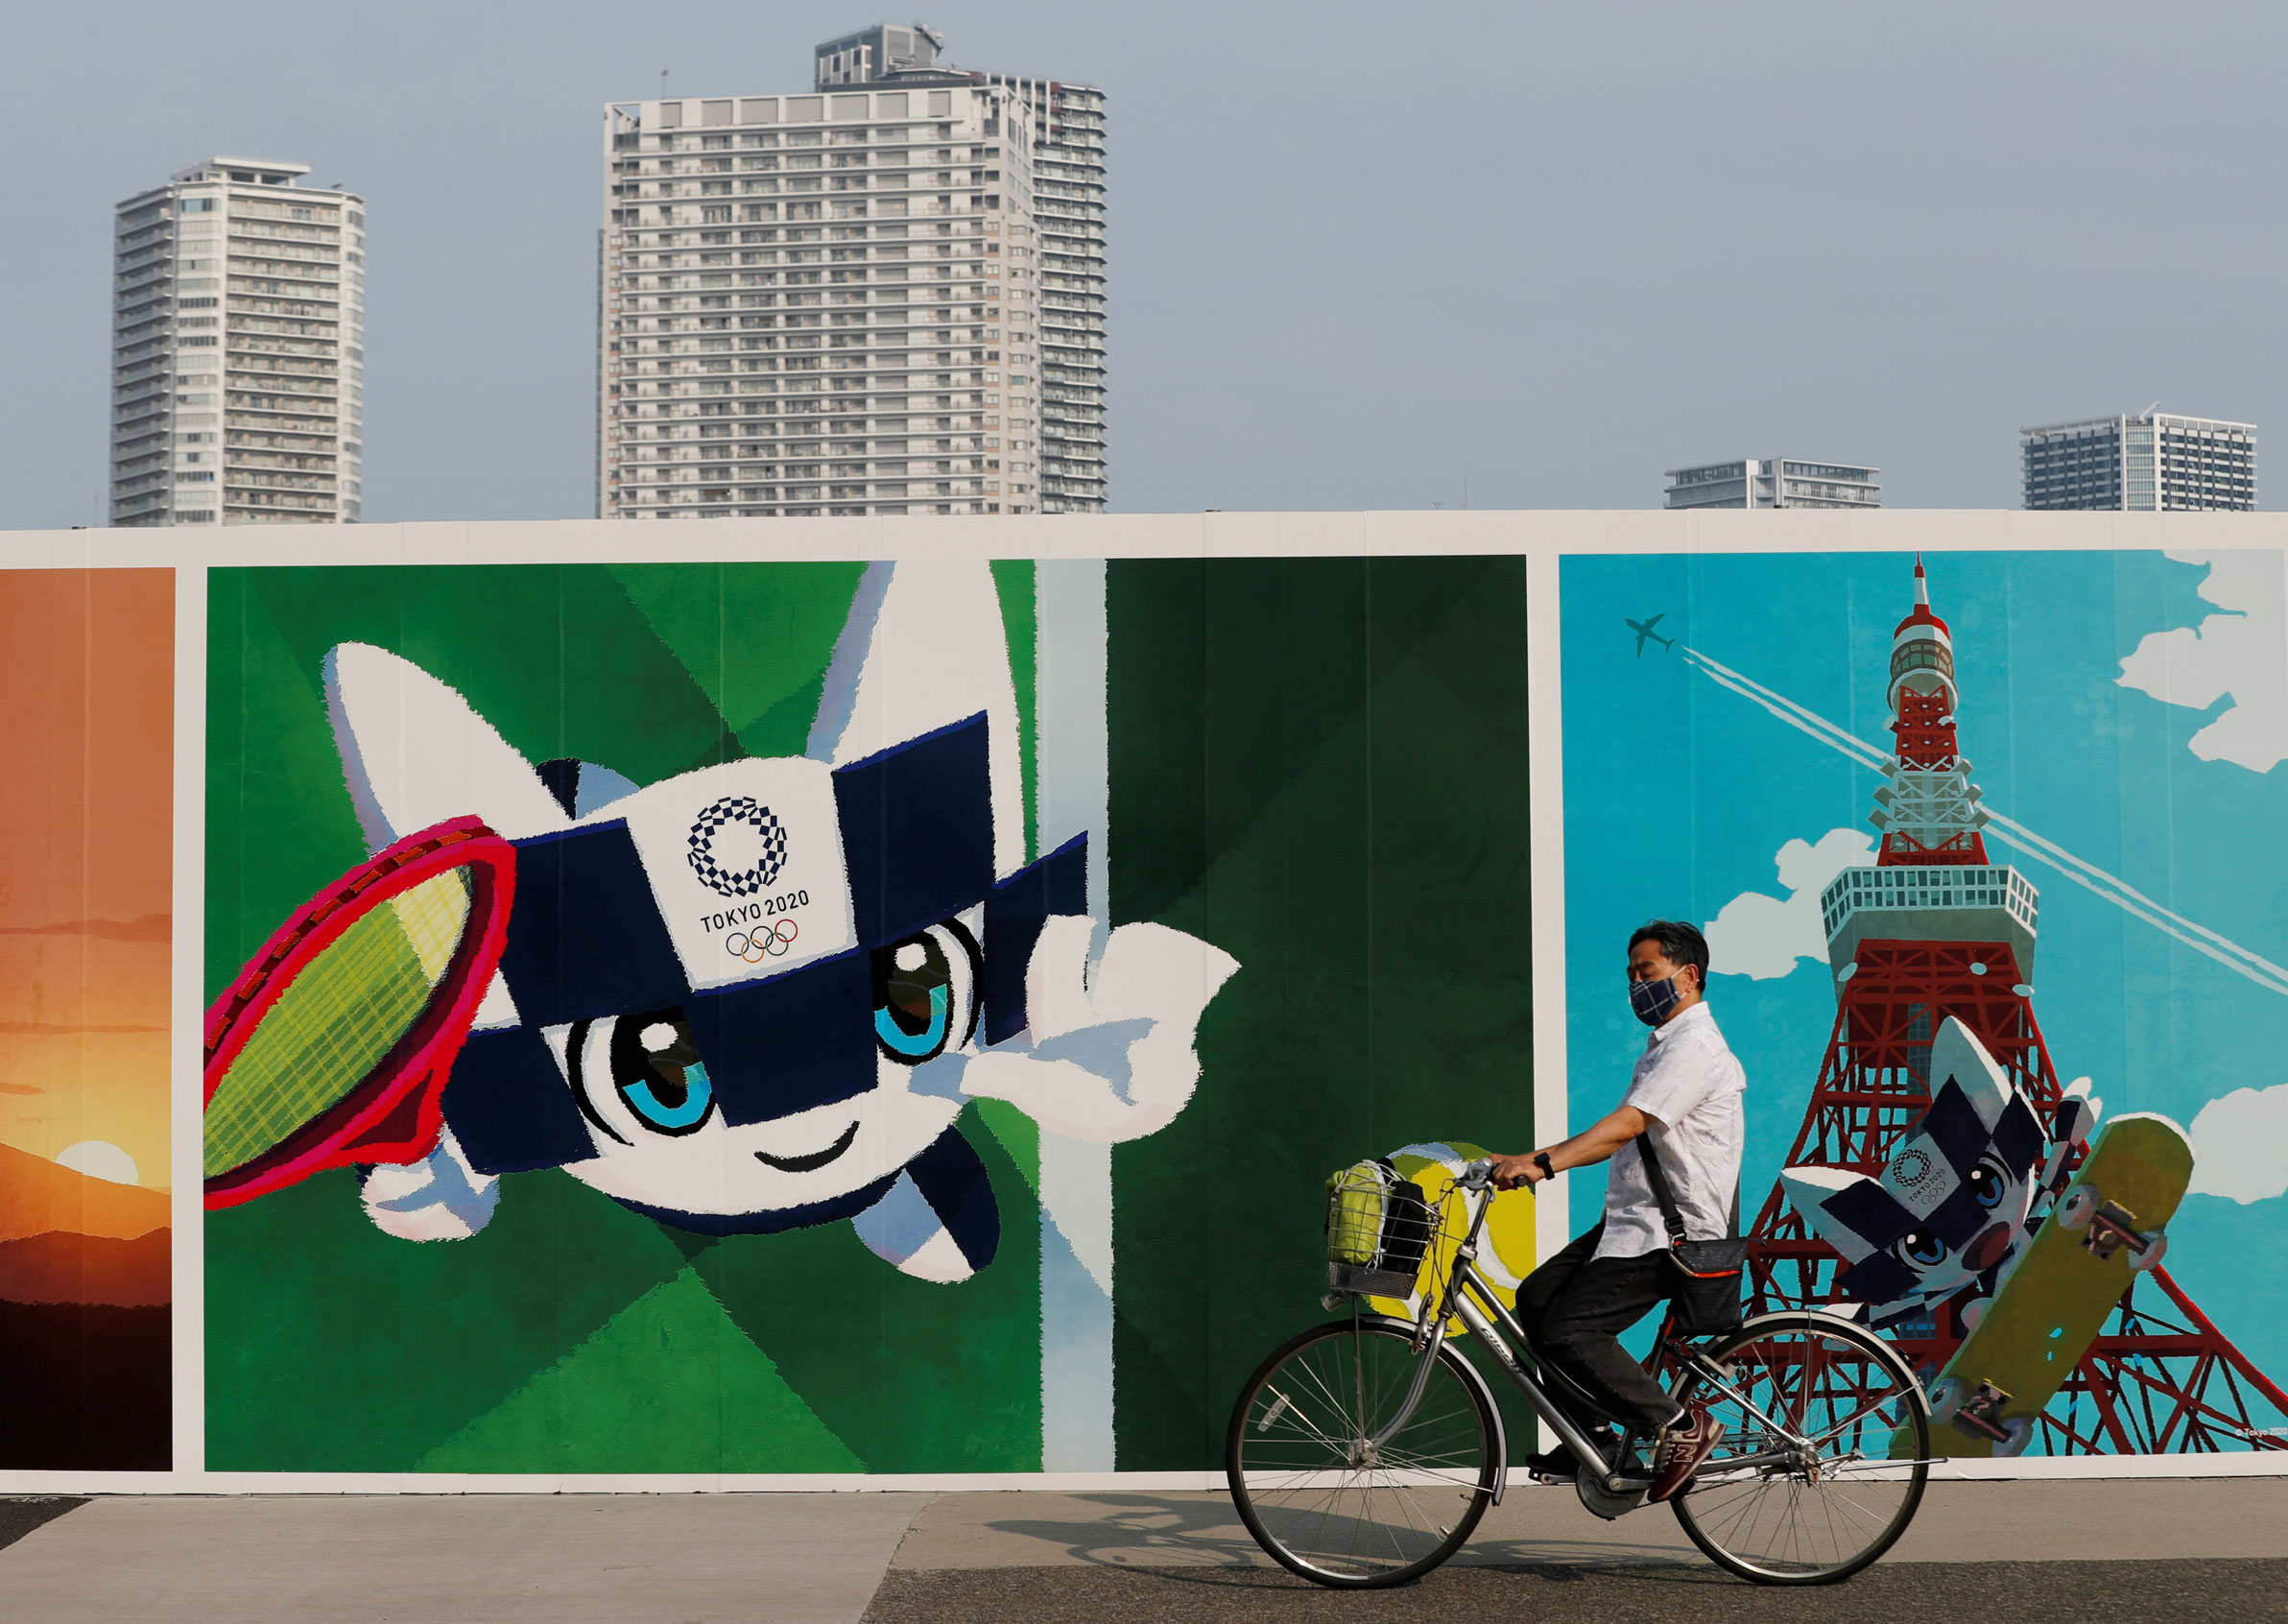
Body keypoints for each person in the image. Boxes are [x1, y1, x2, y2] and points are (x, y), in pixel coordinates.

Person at [1489, 919, 1745, 1503]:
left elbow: (1625, 1127)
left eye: (1646, 972)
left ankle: (1680, 1425)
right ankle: (1597, 1433)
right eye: (1631, 975)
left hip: (1669, 1230)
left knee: (1570, 1330)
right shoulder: (1665, 1049)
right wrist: (1526, 1157)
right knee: (1536, 1299)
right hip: (1632, 1220)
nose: (1635, 985)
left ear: (1689, 975)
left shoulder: (1696, 1049)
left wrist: (1544, 1164)